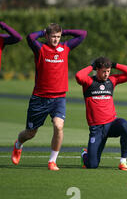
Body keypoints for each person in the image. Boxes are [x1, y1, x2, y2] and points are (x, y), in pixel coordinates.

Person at [11, 23, 87, 170]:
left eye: (58, 37)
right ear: (47, 36)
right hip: (39, 98)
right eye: (53, 36)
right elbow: (30, 37)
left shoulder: (65, 47)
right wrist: (42, 31)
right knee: (30, 133)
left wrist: (64, 32)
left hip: (59, 97)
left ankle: (52, 161)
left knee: (59, 126)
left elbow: (82, 34)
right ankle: (18, 144)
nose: (56, 39)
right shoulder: (40, 48)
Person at [76, 57, 127, 171]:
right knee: (92, 165)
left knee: (125, 125)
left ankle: (123, 162)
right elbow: (79, 76)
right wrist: (91, 66)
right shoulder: (89, 82)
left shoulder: (112, 81)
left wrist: (115, 65)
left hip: (111, 124)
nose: (106, 74)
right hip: (97, 129)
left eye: (108, 71)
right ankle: (85, 154)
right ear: (97, 70)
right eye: (104, 71)